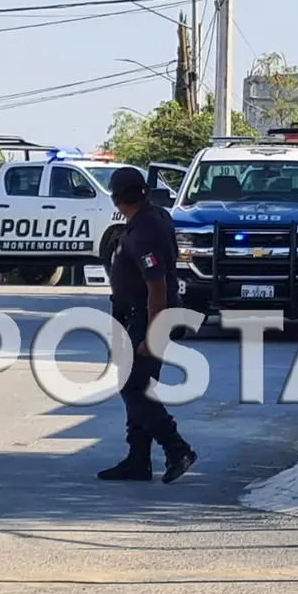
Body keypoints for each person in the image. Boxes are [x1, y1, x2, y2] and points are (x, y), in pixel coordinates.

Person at [99, 166, 198, 484]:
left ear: (117, 199)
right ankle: (138, 459)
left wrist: (152, 334)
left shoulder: (145, 230)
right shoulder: (152, 218)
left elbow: (157, 287)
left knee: (136, 388)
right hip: (137, 315)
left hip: (147, 316)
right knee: (138, 386)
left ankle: (177, 449)